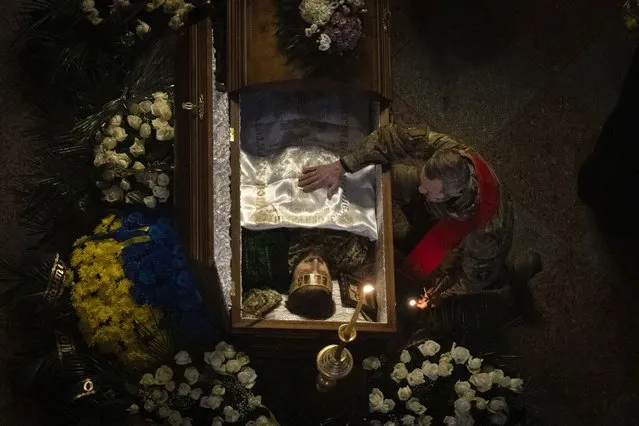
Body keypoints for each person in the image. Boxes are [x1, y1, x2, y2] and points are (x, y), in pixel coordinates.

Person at [298, 124, 542, 308]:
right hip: (442, 211)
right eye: (424, 183)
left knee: (428, 285)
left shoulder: (487, 232)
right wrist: (342, 166)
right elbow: (390, 138)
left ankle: (514, 281)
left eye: (429, 190)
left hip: (463, 240)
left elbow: (469, 280)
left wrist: (433, 299)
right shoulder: (450, 154)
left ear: (455, 192)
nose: (421, 190)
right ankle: (414, 233)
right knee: (389, 177)